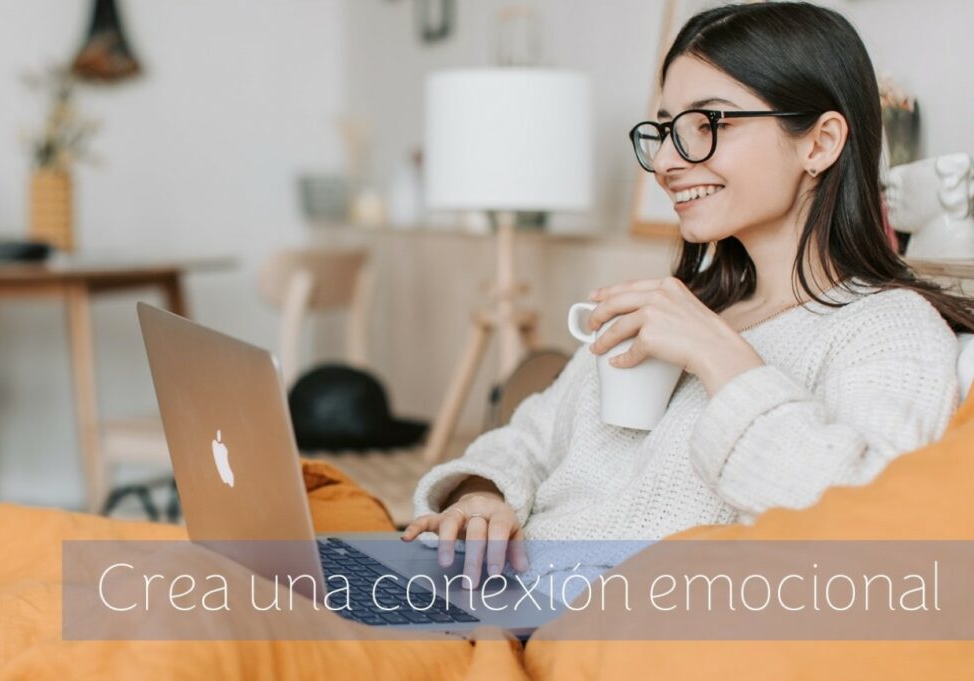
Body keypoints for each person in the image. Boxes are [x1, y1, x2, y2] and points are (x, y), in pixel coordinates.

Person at [402, 1, 974, 586]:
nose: (669, 162)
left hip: (599, 632)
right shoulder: (682, 303)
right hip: (496, 589)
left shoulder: (886, 327)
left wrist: (720, 356)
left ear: (820, 143)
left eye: (709, 125)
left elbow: (868, 532)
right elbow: (527, 438)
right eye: (667, 129)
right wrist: (482, 496)